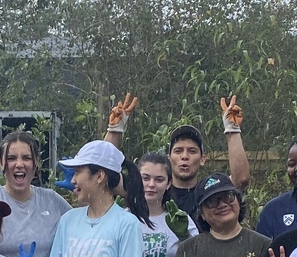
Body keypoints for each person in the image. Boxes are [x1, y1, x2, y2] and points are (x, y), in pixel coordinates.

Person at [101, 94, 252, 224]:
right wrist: (115, 130)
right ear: (169, 158)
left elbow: (241, 180)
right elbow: (102, 177)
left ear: (202, 159)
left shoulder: (208, 193)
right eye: (178, 151)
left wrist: (232, 130)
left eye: (192, 151)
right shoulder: (147, 188)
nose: (184, 156)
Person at [0, 131, 73, 257]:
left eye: (26, 158)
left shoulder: (53, 202)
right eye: (11, 158)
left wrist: (83, 189)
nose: (19, 164)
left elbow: (89, 225)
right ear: (0, 163)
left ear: (36, 163)